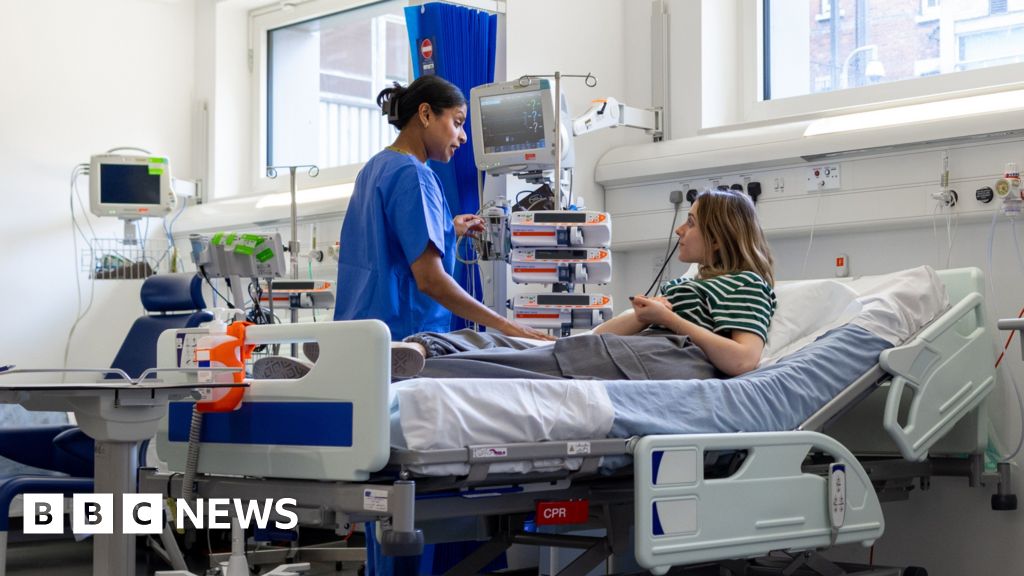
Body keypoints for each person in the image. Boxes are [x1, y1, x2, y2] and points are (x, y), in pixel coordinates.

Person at [391, 189, 776, 380]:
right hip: (644, 344)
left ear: (720, 237)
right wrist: (572, 342)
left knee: (533, 364)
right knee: (534, 352)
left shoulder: (747, 284)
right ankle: (428, 348)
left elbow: (743, 360)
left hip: (672, 356)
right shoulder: (695, 284)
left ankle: (434, 363)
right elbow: (632, 321)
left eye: (690, 222)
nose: (680, 229)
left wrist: (669, 320)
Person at [334, 75, 552, 344]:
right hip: (402, 342)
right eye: (457, 122)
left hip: (357, 339)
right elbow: (430, 281)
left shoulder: (375, 168)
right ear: (425, 114)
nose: (462, 137)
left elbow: (386, 247)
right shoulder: (415, 175)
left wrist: (448, 229)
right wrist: (508, 326)